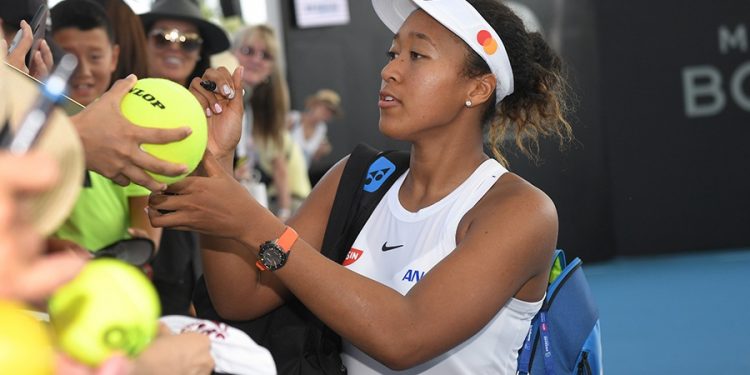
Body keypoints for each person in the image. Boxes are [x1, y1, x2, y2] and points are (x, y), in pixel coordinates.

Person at [148, 0, 573, 373]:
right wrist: (218, 156)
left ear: (477, 88)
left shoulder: (521, 211)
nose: (389, 70)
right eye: (393, 53)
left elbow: (405, 337)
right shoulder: (359, 177)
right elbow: (240, 300)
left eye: (417, 56)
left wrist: (257, 227)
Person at [49, 0, 162, 260]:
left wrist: (141, 247)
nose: (84, 71)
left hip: (110, 270)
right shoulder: (28, 118)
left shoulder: (129, 121)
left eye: (95, 57)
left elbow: (142, 206)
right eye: (69, 58)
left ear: (114, 57)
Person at [139, 0, 231, 316]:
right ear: (144, 41)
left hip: (200, 262)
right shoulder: (119, 102)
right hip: (138, 263)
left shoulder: (214, 111)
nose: (175, 48)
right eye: (163, 37)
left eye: (188, 41)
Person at [233, 24, 310, 220]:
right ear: (233, 53)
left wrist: (284, 215)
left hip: (289, 202)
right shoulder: (222, 98)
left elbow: (280, 169)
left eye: (266, 55)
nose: (256, 60)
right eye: (248, 51)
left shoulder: (254, 111)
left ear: (271, 68)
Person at [288, 88, 342, 184]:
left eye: (331, 112)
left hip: (300, 178)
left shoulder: (322, 129)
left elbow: (311, 159)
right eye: (326, 109)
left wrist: (320, 152)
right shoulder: (293, 119)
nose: (327, 114)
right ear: (314, 105)